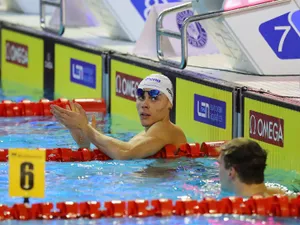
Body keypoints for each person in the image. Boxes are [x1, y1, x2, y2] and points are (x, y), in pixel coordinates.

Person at [50, 74, 187, 160]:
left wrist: (86, 128)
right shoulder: (146, 135)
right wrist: (82, 138)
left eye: (154, 98)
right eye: (141, 97)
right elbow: (116, 151)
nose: (145, 104)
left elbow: (125, 153)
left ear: (170, 103)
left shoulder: (166, 129)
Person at [218, 138, 287, 198]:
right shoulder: (282, 194)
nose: (218, 169)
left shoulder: (242, 209)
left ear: (231, 171)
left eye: (220, 164)